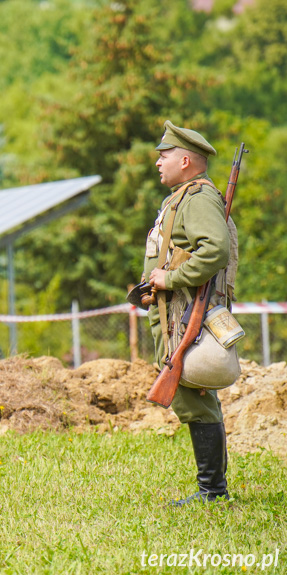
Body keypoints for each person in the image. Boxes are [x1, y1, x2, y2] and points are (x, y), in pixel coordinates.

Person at [142, 120, 236, 505]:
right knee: (194, 395)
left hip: (185, 311)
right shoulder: (185, 196)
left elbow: (214, 251)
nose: (158, 164)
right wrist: (155, 285)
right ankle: (213, 489)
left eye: (164, 157)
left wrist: (170, 279)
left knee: (193, 398)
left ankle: (212, 491)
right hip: (174, 310)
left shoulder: (197, 198)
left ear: (184, 160)